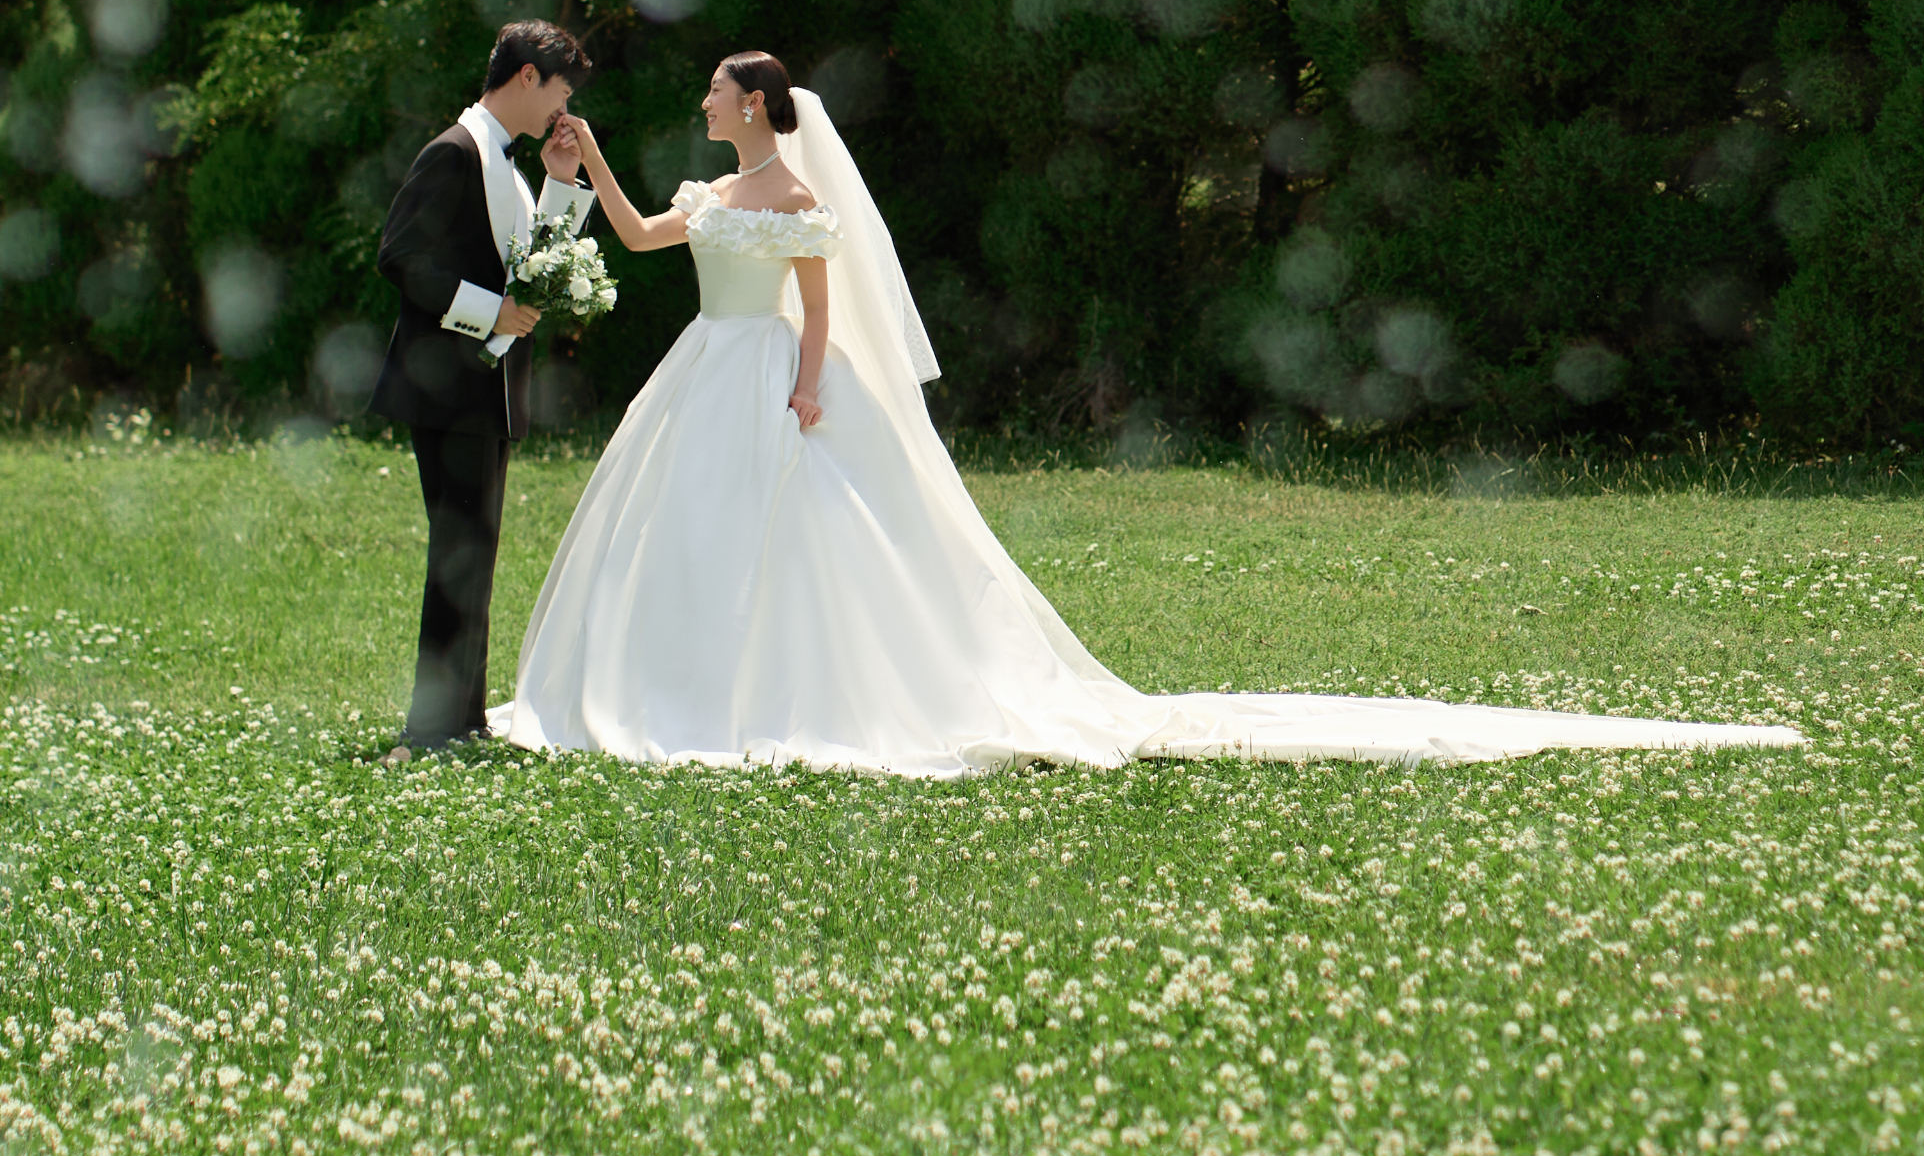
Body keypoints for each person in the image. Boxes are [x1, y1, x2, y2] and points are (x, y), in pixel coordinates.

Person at [503, 53, 1798, 777]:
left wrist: (809, 378)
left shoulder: (792, 192)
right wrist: (589, 163)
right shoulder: (707, 188)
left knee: (807, 544)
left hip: (767, 370)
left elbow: (826, 305)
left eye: (725, 93)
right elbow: (637, 232)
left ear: (761, 108)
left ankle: (768, 698)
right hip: (698, 370)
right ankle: (675, 685)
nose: (711, 104)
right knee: (686, 540)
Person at [369, 22, 595, 746]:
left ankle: (462, 718)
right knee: (457, 552)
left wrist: (562, 182)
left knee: (476, 550)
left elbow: (534, 264)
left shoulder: (507, 164)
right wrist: (487, 308)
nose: (563, 108)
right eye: (561, 89)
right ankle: (430, 729)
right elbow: (401, 258)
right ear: (528, 77)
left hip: (487, 392)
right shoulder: (454, 151)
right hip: (445, 387)